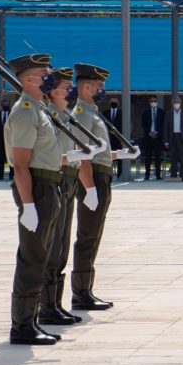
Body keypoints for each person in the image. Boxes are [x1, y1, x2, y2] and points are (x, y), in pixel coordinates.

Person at [4, 54, 64, 345]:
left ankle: (32, 321)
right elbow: (20, 164)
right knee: (32, 256)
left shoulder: (39, 110)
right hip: (36, 188)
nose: (49, 77)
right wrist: (27, 205)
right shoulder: (26, 112)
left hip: (47, 185)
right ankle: (22, 326)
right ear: (27, 80)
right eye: (44, 73)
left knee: (40, 255)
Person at [37, 67, 85, 327]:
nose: (71, 91)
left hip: (69, 178)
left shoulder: (64, 116)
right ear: (53, 92)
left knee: (63, 244)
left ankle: (56, 303)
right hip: (57, 176)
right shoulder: (49, 117)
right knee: (53, 245)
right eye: (67, 88)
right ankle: (46, 306)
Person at [71, 64, 115, 311]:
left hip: (102, 175)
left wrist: (119, 154)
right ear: (87, 87)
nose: (102, 90)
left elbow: (98, 152)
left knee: (94, 234)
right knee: (87, 235)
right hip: (93, 178)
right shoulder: (83, 114)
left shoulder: (93, 113)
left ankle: (86, 289)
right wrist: (89, 189)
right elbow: (83, 156)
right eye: (99, 86)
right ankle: (80, 293)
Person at [164, 96, 183, 181]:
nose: (177, 104)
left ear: (181, 103)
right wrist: (166, 141)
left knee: (182, 158)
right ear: (172, 103)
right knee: (173, 158)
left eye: (178, 102)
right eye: (175, 102)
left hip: (182, 138)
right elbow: (165, 128)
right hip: (172, 137)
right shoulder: (168, 114)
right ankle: (174, 175)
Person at [142, 96, 165, 180]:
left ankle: (158, 175)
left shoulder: (162, 112)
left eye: (155, 101)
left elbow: (163, 125)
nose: (153, 102)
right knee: (147, 157)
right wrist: (150, 132)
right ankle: (147, 174)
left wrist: (156, 133)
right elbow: (143, 124)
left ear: (157, 102)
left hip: (158, 138)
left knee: (158, 157)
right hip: (148, 137)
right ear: (149, 102)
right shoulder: (146, 112)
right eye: (151, 101)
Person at [102, 98, 124, 178]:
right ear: (109, 103)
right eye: (112, 102)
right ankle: (109, 172)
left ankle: (120, 173)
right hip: (108, 138)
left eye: (115, 102)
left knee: (120, 156)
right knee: (108, 155)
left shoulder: (122, 113)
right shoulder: (105, 113)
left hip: (118, 138)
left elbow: (124, 125)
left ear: (118, 103)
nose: (113, 103)